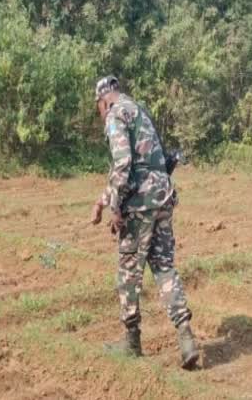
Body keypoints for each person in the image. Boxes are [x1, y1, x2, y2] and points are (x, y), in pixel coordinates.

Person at [89, 76, 199, 369]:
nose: (101, 114)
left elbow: (123, 165)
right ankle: (186, 337)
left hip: (140, 205)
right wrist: (102, 200)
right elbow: (144, 164)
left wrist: (115, 208)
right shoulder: (138, 111)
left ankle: (132, 341)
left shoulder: (115, 115)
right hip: (163, 197)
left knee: (128, 272)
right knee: (164, 267)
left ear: (103, 101)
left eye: (99, 108)